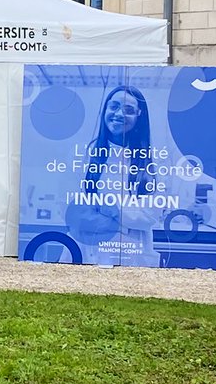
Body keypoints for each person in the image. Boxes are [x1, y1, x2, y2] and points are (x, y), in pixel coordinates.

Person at [64, 85, 156, 262]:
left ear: (139, 115)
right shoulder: (83, 154)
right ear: (105, 109)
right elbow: (71, 209)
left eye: (128, 110)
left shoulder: (153, 160)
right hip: (86, 247)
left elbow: (149, 216)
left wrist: (106, 209)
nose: (119, 114)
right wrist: (123, 219)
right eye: (113, 106)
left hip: (133, 250)